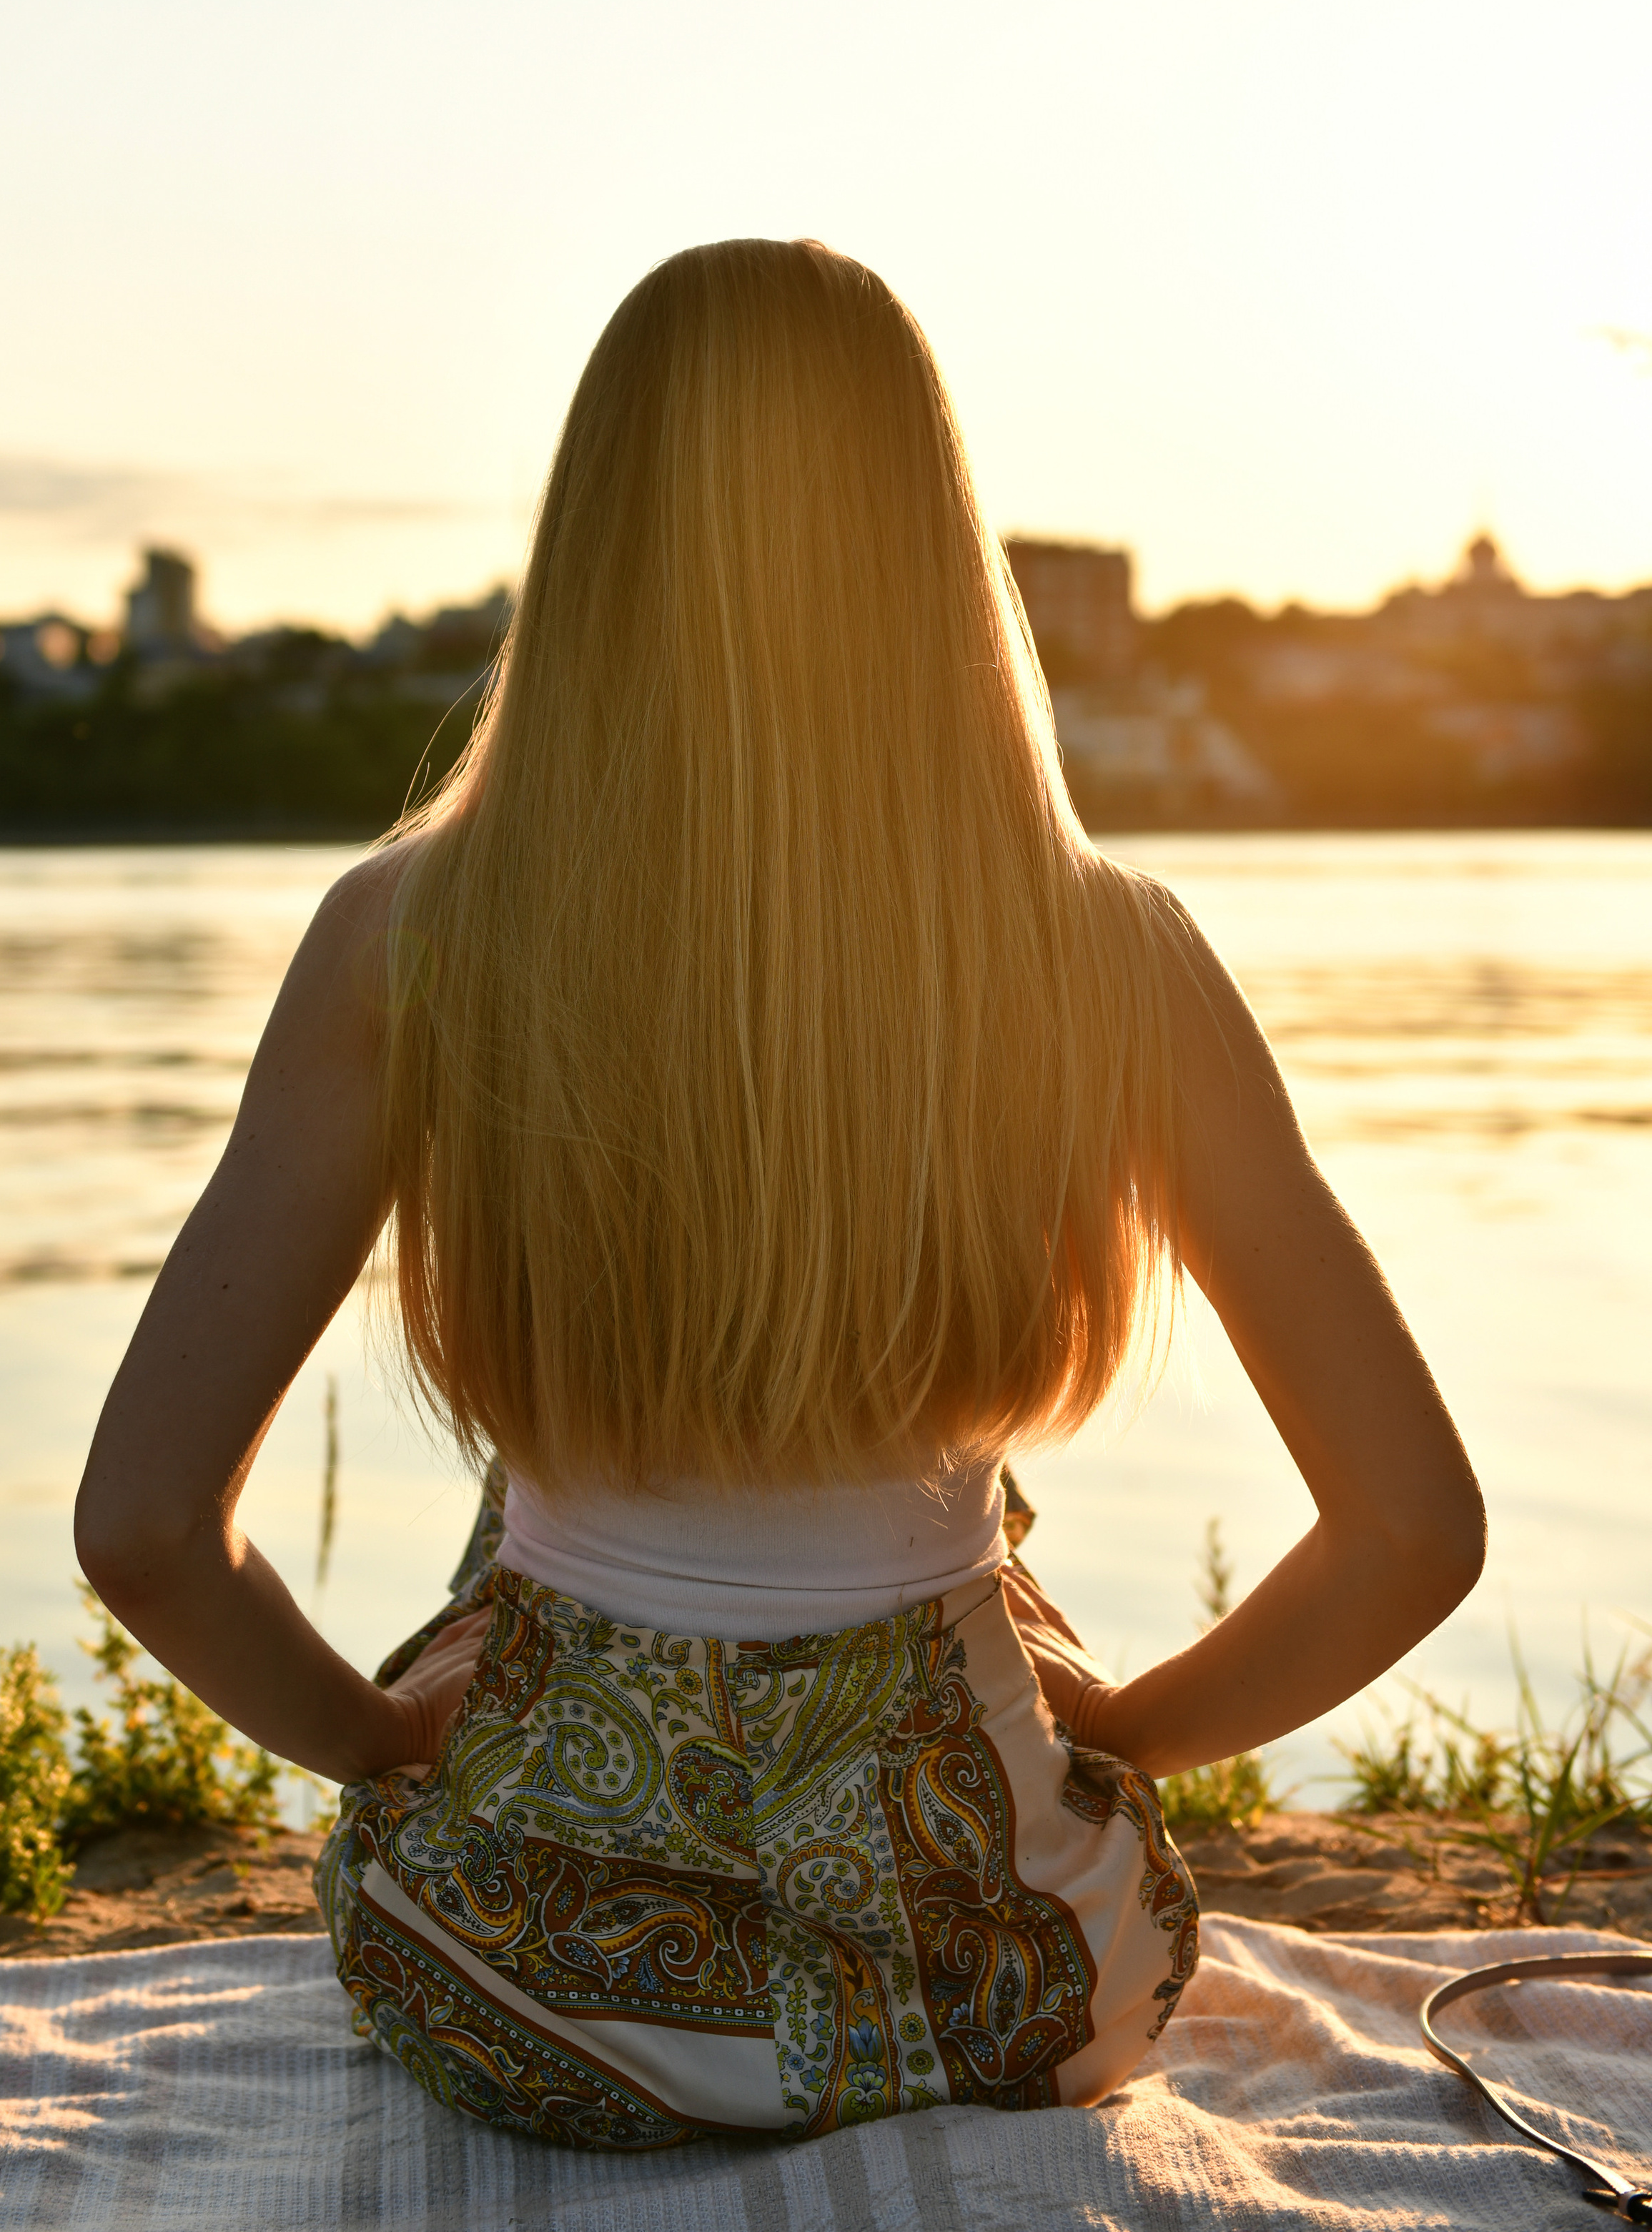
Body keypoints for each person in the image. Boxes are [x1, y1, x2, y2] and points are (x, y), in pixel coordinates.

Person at [75, 240, 1485, 2150]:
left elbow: (149, 1529)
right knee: (981, 1531)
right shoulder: (1118, 958)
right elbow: (1412, 1533)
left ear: (596, 541)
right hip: (1000, 1991)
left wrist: (381, 1745)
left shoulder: (405, 937)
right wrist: (1120, 1731)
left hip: (524, 1994)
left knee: (510, 1559)